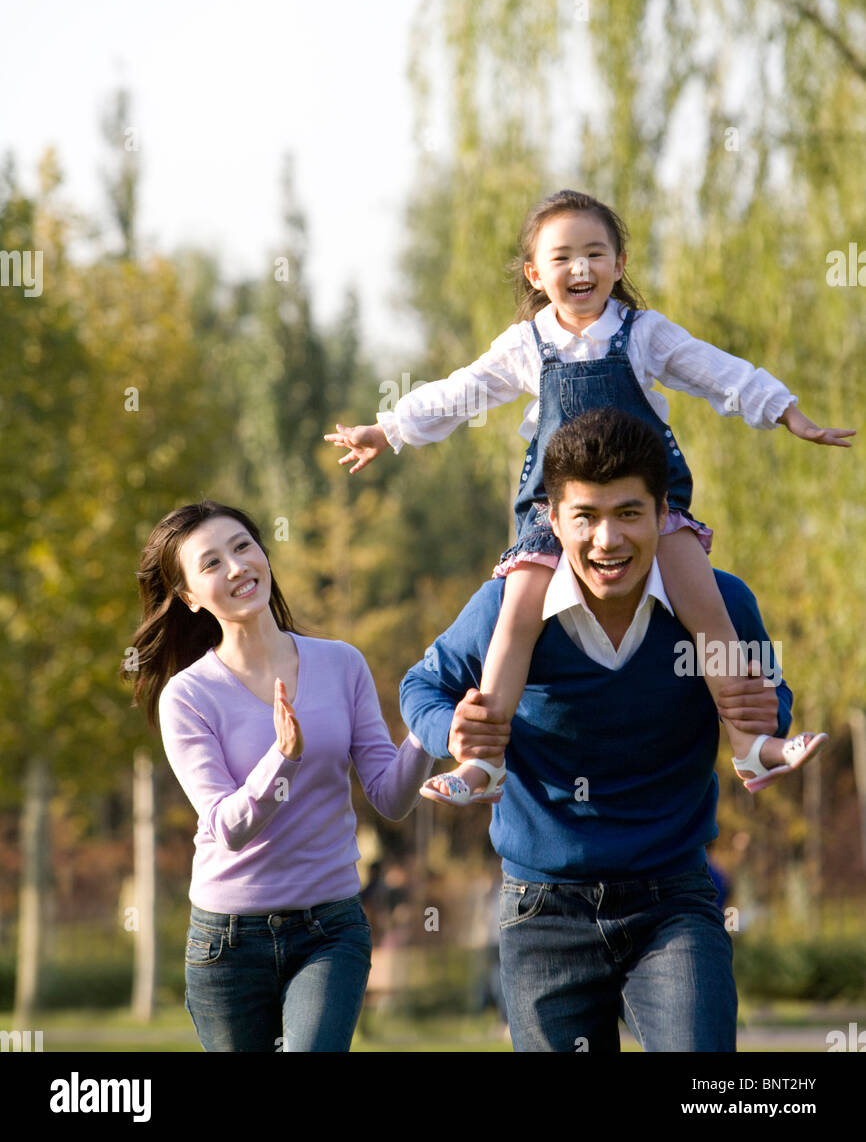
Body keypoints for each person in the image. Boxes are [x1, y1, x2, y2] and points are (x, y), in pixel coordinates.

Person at [327, 189, 850, 801]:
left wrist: (785, 411)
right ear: (535, 273)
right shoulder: (526, 345)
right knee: (517, 613)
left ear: (619, 263)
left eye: (594, 253)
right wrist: (388, 429)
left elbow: (716, 372)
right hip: (557, 515)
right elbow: (460, 391)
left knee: (708, 607)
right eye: (562, 257)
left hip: (649, 508)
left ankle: (747, 744)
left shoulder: (644, 334)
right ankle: (486, 763)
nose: (580, 269)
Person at [399, 408, 796, 1052]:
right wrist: (455, 731)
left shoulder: (718, 607)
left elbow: (770, 697)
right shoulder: (506, 611)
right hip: (542, 910)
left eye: (628, 513)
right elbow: (421, 686)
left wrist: (766, 715)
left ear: (664, 512)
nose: (607, 540)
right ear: (552, 521)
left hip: (674, 902)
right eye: (585, 516)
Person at [127, 500, 432, 1053]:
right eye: (211, 562)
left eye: (243, 547)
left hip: (330, 929)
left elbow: (390, 796)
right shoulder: (189, 697)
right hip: (227, 942)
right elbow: (228, 826)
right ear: (191, 598)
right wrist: (281, 759)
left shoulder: (342, 664)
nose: (237, 567)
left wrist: (430, 733)